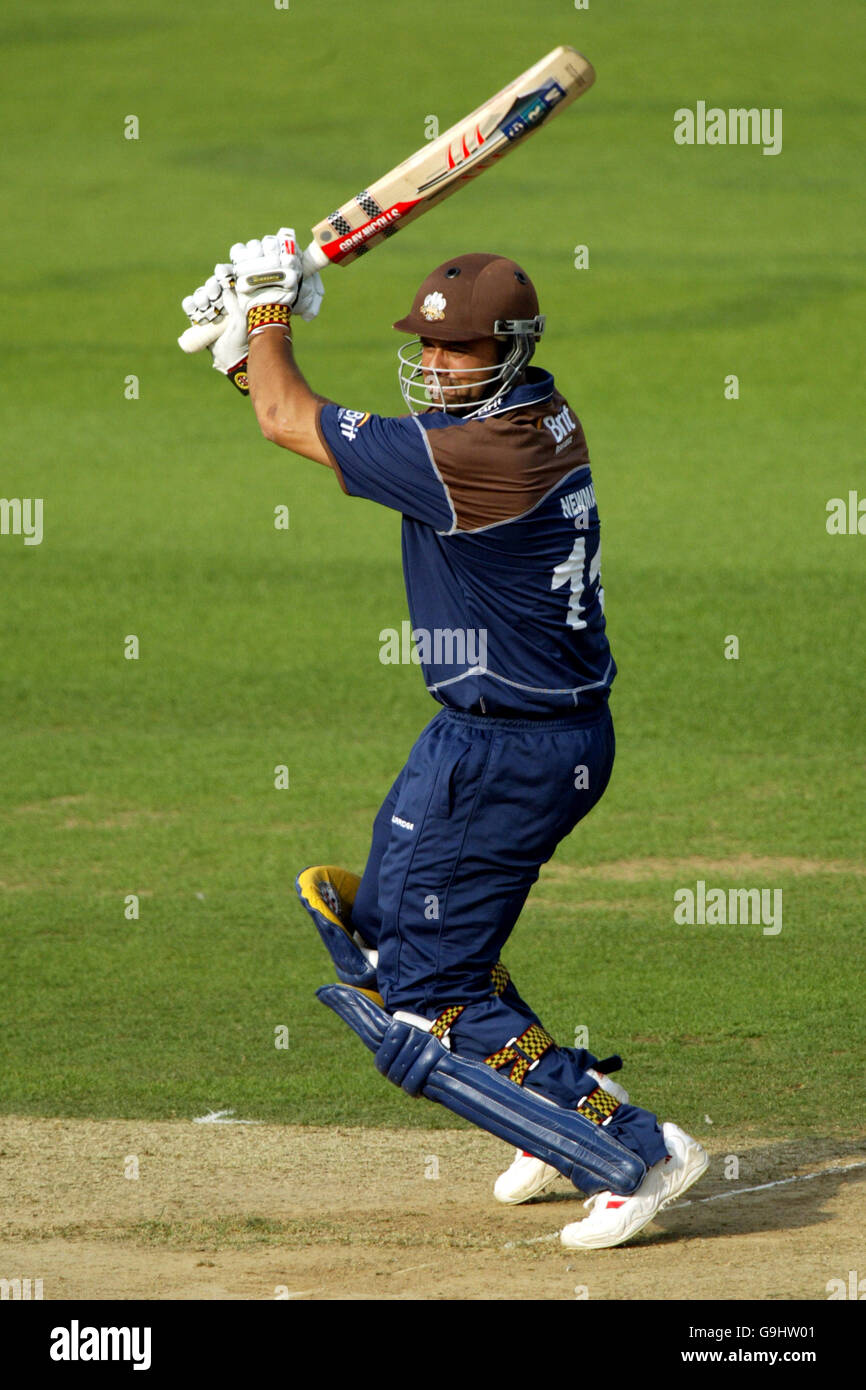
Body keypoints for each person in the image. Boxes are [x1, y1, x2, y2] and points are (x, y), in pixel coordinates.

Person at [181, 232, 708, 1248]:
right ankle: (559, 1115)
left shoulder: (476, 453)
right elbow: (306, 425)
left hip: (514, 751)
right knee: (382, 925)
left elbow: (294, 422)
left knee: (422, 997)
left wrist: (267, 314)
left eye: (455, 353)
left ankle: (630, 1147)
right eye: (426, 348)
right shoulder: (522, 416)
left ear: (504, 349)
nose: (432, 367)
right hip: (494, 733)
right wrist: (244, 346)